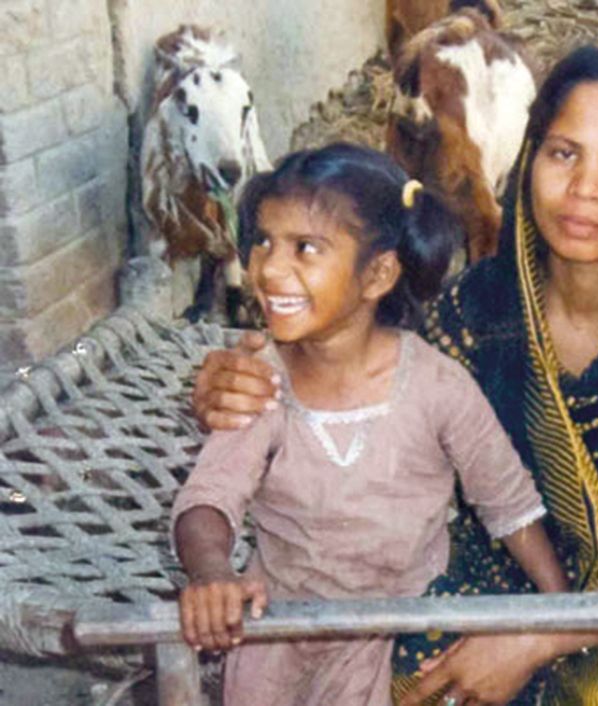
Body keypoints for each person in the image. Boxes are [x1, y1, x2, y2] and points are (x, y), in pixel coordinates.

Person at [190, 41, 598, 705]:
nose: (584, 188)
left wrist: (537, 637)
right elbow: (359, 372)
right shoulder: (476, 308)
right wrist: (231, 380)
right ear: (528, 156)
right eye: (562, 153)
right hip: (479, 590)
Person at [172, 143, 568, 706]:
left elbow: (509, 506)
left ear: (378, 273)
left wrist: (562, 621)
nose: (269, 268)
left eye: (305, 248)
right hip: (282, 628)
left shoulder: (436, 386)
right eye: (262, 242)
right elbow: (209, 499)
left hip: (405, 625)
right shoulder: (261, 381)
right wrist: (212, 572)